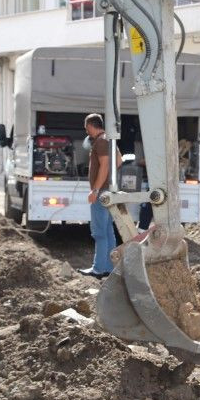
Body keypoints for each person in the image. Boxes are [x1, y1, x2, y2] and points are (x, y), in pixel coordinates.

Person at [80, 113, 118, 278]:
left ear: (91, 126)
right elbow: (118, 161)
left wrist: (95, 190)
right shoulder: (109, 140)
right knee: (108, 230)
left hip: (101, 192)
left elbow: (105, 165)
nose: (86, 131)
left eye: (86, 127)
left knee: (99, 232)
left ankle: (98, 268)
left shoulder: (101, 141)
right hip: (108, 191)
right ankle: (109, 267)